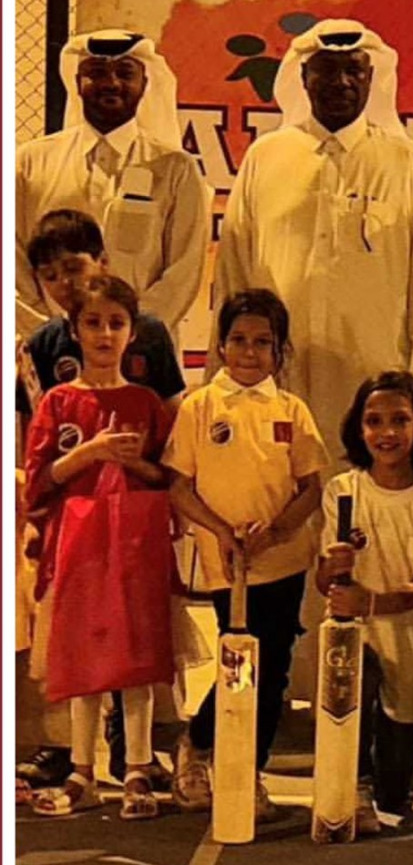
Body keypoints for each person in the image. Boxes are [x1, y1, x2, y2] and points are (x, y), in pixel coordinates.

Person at [214, 18, 413, 457]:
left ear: (370, 78)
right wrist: (224, 372)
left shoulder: (405, 162)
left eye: (354, 71)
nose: (340, 82)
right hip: (278, 373)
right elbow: (232, 274)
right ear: (304, 78)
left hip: (372, 376)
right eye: (326, 70)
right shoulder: (265, 158)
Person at [164, 289, 327, 821]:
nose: (249, 352)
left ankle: (247, 771)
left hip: (282, 560)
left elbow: (311, 487)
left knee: (273, 668)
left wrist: (276, 530)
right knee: (241, 661)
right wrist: (224, 533)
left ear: (280, 351)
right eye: (238, 340)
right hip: (226, 563)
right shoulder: (200, 407)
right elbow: (180, 487)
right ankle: (199, 744)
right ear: (220, 345)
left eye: (263, 343)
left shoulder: (291, 409)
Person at [24, 275, 174, 820]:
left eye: (116, 323)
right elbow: (40, 480)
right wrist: (92, 452)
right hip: (79, 545)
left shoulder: (145, 402)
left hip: (135, 543)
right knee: (83, 657)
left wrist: (131, 461)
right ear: (74, 330)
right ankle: (82, 770)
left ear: (133, 334)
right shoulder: (60, 402)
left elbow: (166, 474)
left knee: (137, 656)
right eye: (93, 322)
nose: (105, 333)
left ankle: (136, 765)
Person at [315, 371, 413, 830]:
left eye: (400, 420)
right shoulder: (343, 492)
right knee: (353, 699)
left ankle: (388, 788)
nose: (387, 433)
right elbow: (324, 581)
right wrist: (333, 570)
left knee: (395, 795)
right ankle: (351, 788)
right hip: (354, 635)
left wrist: (370, 603)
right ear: (359, 429)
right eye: (374, 421)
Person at [16, 29, 210, 342]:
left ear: (145, 83)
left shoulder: (176, 169)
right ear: (77, 82)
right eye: (97, 73)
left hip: (142, 350)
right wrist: (54, 335)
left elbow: (183, 272)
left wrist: (123, 332)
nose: (111, 83)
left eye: (125, 72)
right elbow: (12, 264)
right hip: (48, 351)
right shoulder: (29, 162)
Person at [20, 209, 185, 414]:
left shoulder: (150, 332)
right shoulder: (43, 343)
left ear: (103, 262)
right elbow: (32, 429)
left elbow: (173, 413)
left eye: (73, 268)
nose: (64, 283)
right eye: (50, 276)